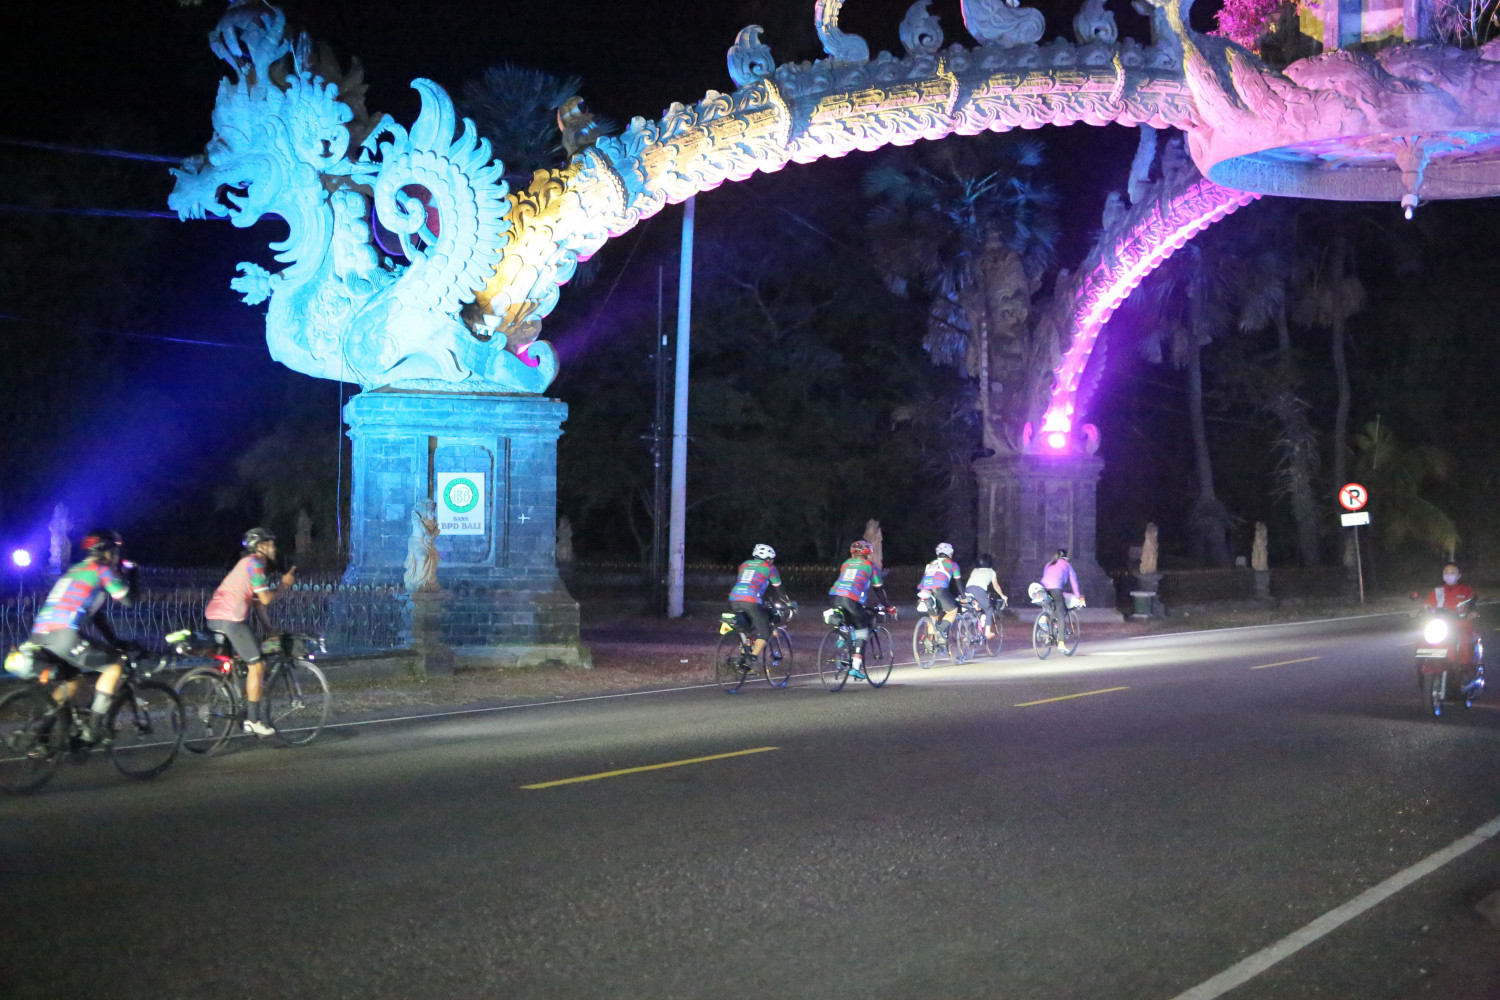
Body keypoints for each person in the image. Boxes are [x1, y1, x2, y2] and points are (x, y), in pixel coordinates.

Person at [25, 529, 138, 744]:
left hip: (40, 633)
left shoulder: (76, 570)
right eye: (115, 552)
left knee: (73, 681)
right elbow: (129, 601)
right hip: (64, 635)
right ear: (108, 552)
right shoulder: (101, 570)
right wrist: (133, 575)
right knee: (115, 665)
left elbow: (96, 616)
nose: (117, 557)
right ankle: (93, 729)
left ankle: (40, 737)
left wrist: (114, 641)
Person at [205, 527, 296, 737]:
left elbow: (256, 602)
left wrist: (269, 628)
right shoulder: (255, 563)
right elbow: (265, 598)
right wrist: (284, 585)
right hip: (231, 619)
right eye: (270, 544)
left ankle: (238, 699)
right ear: (260, 546)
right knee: (257, 664)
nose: (274, 548)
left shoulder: (248, 563)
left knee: (248, 657)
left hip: (215, 617)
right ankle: (253, 721)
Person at [828, 539, 888, 677]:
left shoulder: (846, 563)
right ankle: (855, 667)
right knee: (862, 628)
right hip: (851, 599)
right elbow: (878, 589)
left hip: (835, 597)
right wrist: (887, 606)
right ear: (867, 553)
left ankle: (842, 640)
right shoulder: (869, 566)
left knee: (848, 620)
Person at [727, 543, 791, 659]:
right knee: (765, 630)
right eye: (771, 559)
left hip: (734, 597)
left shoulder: (744, 565)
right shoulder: (769, 568)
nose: (772, 561)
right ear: (768, 559)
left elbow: (749, 582)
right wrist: (788, 603)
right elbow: (779, 589)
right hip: (751, 599)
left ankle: (744, 655)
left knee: (747, 625)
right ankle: (752, 658)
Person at [1425, 561, 1479, 672]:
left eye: (1453, 572)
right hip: (1441, 624)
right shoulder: (1437, 591)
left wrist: (1472, 612)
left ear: (1459, 575)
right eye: (1446, 572)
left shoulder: (1466, 590)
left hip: (1460, 623)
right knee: (1424, 638)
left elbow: (1472, 604)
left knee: (1463, 640)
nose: (1449, 575)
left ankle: (1465, 667)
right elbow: (1428, 605)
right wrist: (1423, 610)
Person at [917, 542, 961, 642]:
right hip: (939, 589)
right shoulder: (952, 564)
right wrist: (964, 597)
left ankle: (930, 641)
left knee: (933, 616)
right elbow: (958, 584)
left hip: (924, 591)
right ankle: (939, 631)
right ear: (950, 553)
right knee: (952, 610)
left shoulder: (930, 564)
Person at [965, 553, 1008, 639]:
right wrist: (1002, 595)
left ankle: (966, 634)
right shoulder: (991, 572)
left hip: (967, 590)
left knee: (973, 610)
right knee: (989, 609)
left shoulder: (975, 570)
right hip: (979, 590)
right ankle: (987, 632)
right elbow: (996, 586)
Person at [1040, 548, 1083, 629]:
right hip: (1056, 588)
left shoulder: (1049, 564)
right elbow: (1074, 582)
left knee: (1048, 603)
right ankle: (1060, 636)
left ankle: (1044, 618)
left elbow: (1045, 577)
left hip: (1043, 588)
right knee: (1060, 612)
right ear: (1066, 558)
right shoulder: (1067, 566)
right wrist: (1078, 596)